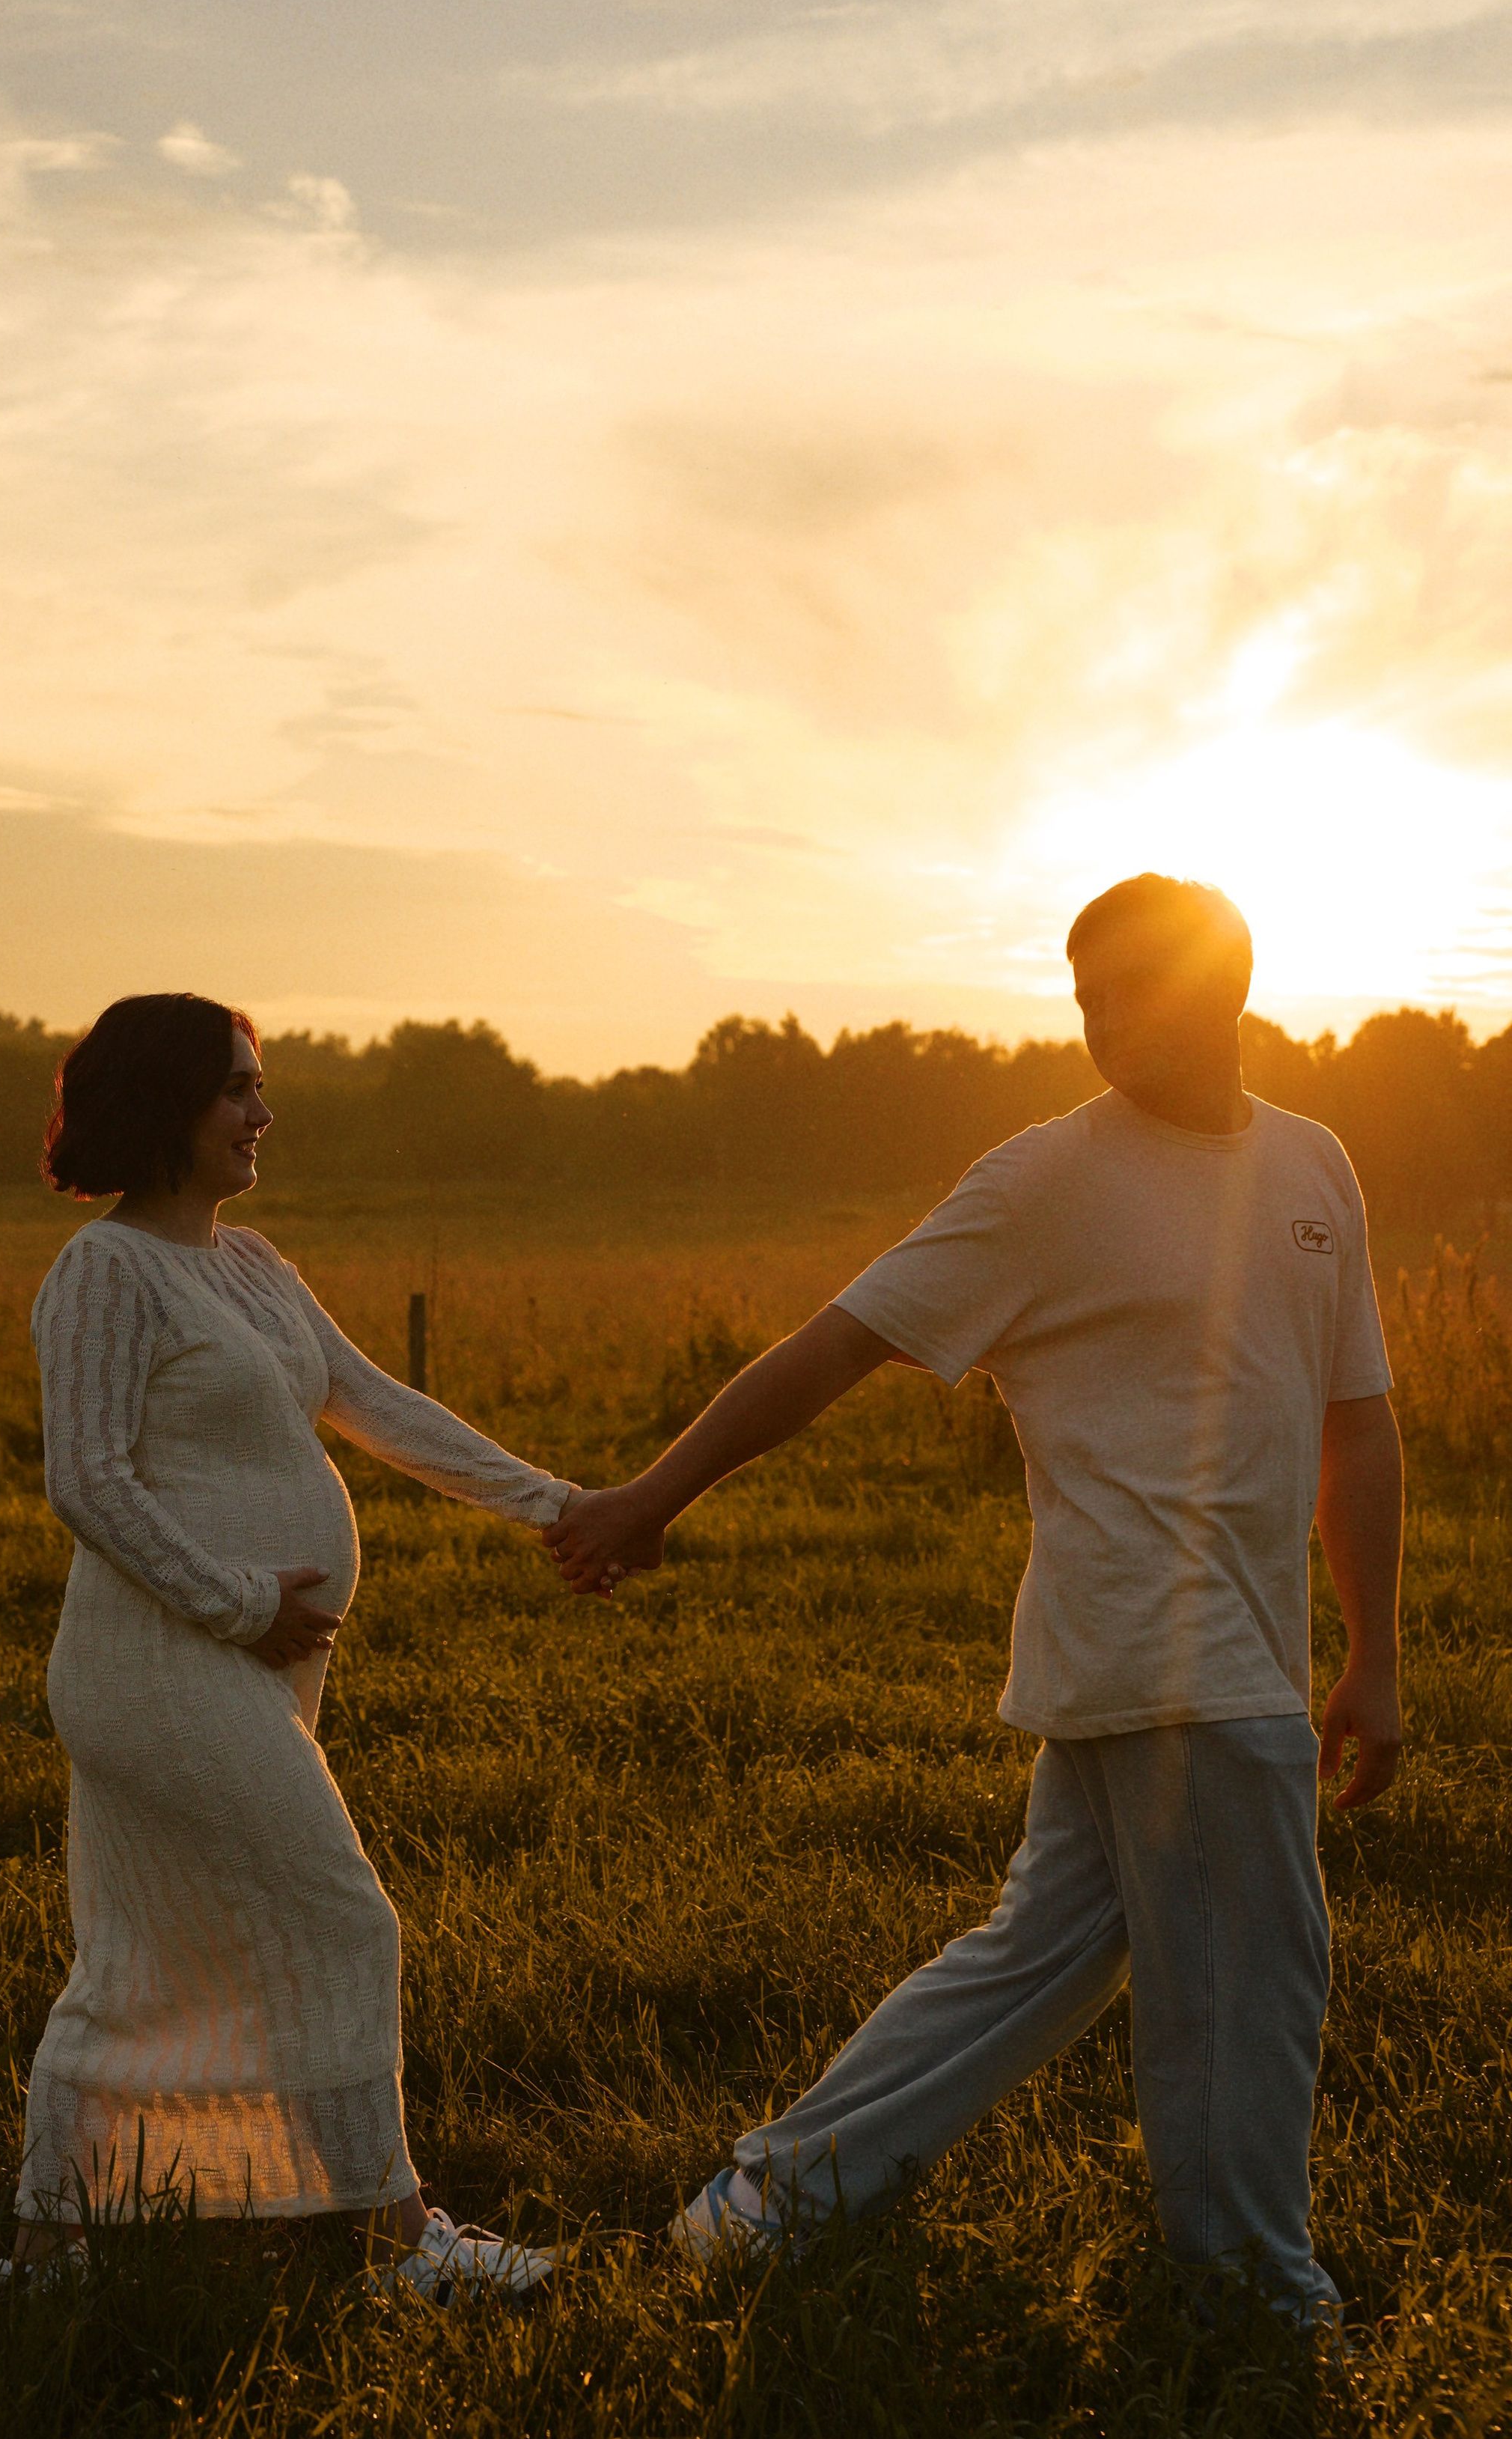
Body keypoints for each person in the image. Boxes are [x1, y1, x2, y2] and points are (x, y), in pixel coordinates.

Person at [547, 874, 1402, 2318]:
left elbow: (1357, 1424)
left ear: (1227, 983)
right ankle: (1256, 2291)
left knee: (1033, 1964)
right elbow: (837, 1346)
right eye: (1081, 995)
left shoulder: (1314, 1169)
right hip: (1159, 1646)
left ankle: (764, 2206)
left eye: (1128, 985)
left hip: (1238, 1650)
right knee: (1255, 1975)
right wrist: (650, 1498)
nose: (1100, 1018)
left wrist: (1374, 1653)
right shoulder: (1044, 1181)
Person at [10, 991, 574, 2304]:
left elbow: (376, 1406)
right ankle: (392, 2242)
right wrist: (239, 1603)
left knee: (149, 1952)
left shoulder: (252, 1266)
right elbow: (85, 1480)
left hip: (245, 1664)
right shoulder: (104, 1274)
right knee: (342, 1916)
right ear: (164, 1109)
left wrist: (559, 1507)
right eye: (237, 1091)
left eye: (259, 1087)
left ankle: (50, 2251)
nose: (264, 1112)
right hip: (157, 1666)